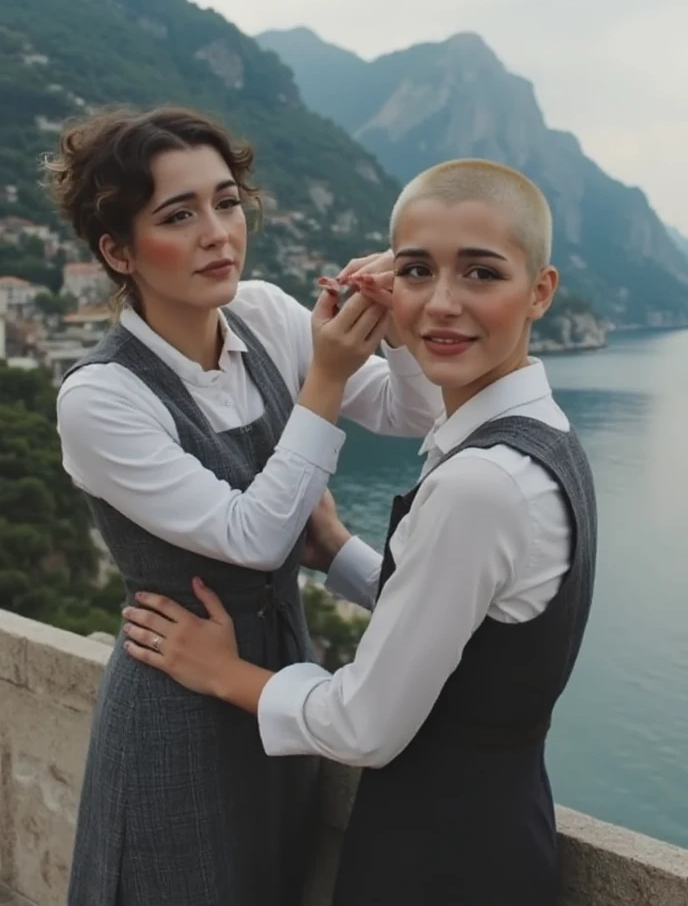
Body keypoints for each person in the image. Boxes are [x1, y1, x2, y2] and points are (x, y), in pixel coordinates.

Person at [123, 158, 598, 906]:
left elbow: (363, 725)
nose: (443, 304)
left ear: (540, 290)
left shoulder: (479, 484)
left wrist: (223, 672)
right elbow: (459, 621)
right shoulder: (542, 436)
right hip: (501, 831)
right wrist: (339, 554)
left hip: (435, 855)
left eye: (480, 274)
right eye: (417, 271)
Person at [50, 105, 443, 906]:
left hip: (278, 686)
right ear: (117, 250)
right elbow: (255, 537)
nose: (217, 233)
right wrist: (326, 379)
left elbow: (415, 415)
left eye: (226, 202)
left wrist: (397, 335)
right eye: (178, 215)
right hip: (174, 703)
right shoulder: (101, 396)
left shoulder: (262, 312)